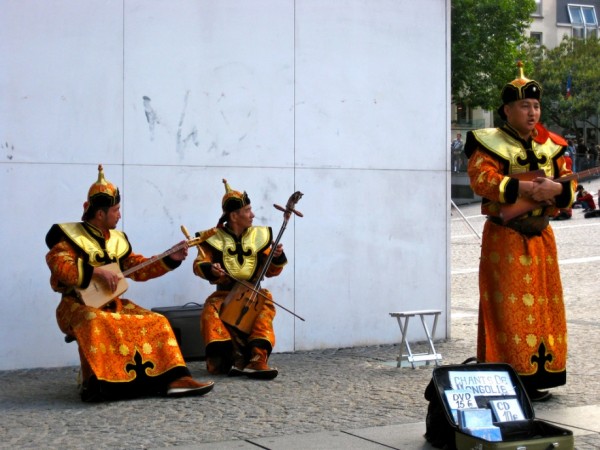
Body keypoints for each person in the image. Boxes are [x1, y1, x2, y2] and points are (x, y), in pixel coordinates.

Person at [45, 165, 214, 401]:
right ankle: (100, 383)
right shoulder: (69, 238)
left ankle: (175, 378)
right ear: (100, 214)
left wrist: (169, 258)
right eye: (115, 210)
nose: (119, 215)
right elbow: (59, 266)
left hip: (113, 303)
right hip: (75, 306)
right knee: (95, 320)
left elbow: (139, 268)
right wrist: (96, 272)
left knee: (157, 321)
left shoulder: (118, 240)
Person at [464, 63, 575, 402]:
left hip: (542, 238)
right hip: (506, 238)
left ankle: (541, 373)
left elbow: (570, 185)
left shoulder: (553, 146)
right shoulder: (488, 142)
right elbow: (481, 179)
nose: (532, 112)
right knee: (508, 311)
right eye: (525, 106)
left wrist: (555, 190)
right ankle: (510, 377)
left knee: (544, 309)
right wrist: (526, 190)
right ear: (507, 110)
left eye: (536, 106)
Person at [192, 179, 287, 380]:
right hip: (224, 294)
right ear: (234, 216)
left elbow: (271, 272)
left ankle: (257, 359)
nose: (252, 215)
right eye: (247, 210)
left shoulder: (259, 236)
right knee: (211, 310)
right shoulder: (213, 237)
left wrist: (276, 256)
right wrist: (212, 269)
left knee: (265, 305)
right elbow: (199, 264)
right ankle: (230, 358)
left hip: (253, 292)